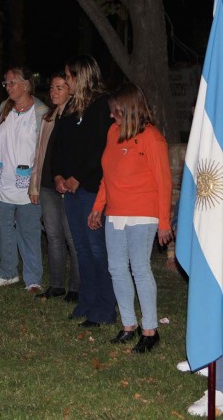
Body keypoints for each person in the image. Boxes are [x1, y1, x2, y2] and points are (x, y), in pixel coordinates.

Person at [87, 83, 172, 352]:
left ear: (130, 109)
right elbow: (107, 177)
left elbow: (164, 182)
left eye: (116, 112)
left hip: (143, 215)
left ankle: (150, 330)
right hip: (115, 213)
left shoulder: (152, 137)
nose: (112, 116)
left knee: (139, 268)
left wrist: (164, 222)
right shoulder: (113, 133)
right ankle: (128, 325)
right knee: (116, 269)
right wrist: (98, 206)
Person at [51, 54, 116, 328]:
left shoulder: (102, 106)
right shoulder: (69, 109)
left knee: (96, 249)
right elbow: (59, 146)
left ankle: (105, 308)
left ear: (82, 76)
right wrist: (58, 175)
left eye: (68, 76)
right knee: (80, 248)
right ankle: (87, 302)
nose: (66, 81)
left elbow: (101, 149)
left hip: (91, 189)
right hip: (70, 190)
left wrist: (79, 177)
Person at [0, 66, 48, 292]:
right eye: (6, 83)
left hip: (28, 183)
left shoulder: (42, 112)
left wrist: (38, 181)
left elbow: (43, 151)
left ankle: (33, 278)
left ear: (26, 85)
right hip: (3, 179)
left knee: (29, 231)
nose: (8, 87)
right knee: (3, 228)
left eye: (12, 83)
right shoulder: (3, 108)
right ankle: (8, 272)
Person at [30, 73, 80, 302]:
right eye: (52, 87)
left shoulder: (77, 118)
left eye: (60, 87)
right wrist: (35, 185)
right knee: (53, 236)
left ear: (71, 90)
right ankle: (57, 284)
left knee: (72, 237)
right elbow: (39, 154)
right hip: (48, 185)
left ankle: (77, 287)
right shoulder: (48, 117)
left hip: (68, 186)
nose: (54, 91)